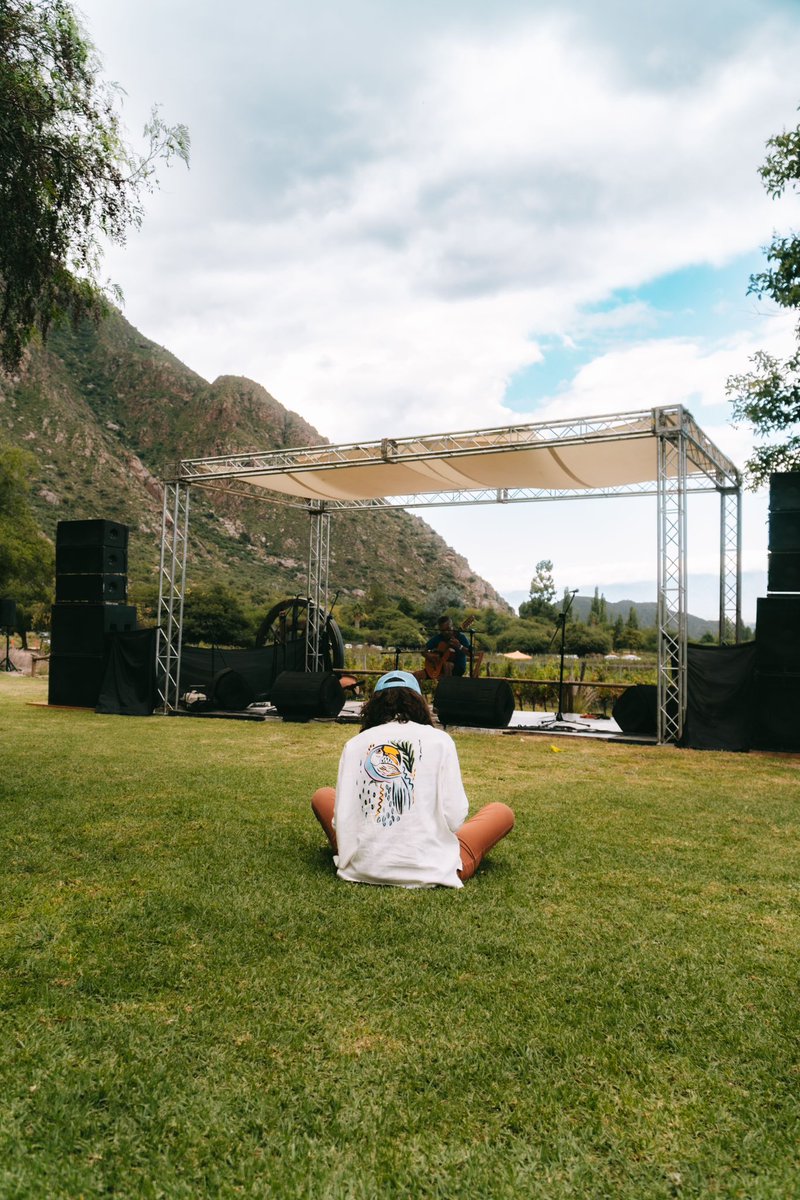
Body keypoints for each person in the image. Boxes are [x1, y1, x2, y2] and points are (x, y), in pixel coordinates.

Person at [311, 670, 514, 888]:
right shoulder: (440, 741)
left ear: (373, 706)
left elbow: (341, 819)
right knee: (501, 812)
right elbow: (454, 818)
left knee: (322, 796)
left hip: (363, 866)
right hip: (432, 867)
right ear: (419, 703)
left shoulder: (355, 744)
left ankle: (374, 856)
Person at [416, 615, 471, 680]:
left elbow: (470, 654)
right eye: (443, 630)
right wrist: (429, 656)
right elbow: (423, 650)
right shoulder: (438, 637)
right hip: (437, 666)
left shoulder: (461, 637)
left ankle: (448, 689)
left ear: (452, 626)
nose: (446, 632)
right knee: (416, 675)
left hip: (457, 668)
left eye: (448, 629)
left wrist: (459, 646)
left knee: (447, 665)